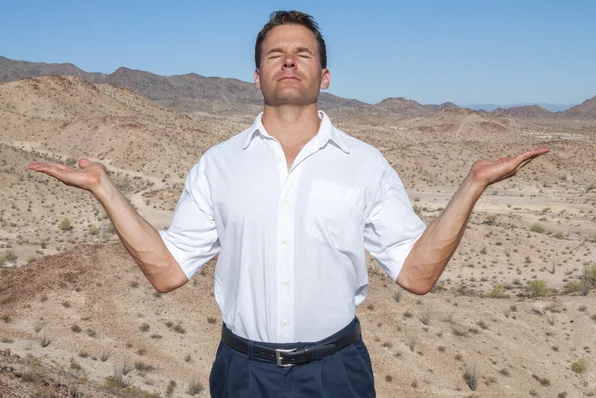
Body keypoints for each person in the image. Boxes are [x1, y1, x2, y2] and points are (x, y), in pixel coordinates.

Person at [28, 10, 549, 398]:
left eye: (303, 53)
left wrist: (472, 185)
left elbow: (416, 274)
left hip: (337, 372)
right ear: (257, 77)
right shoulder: (218, 164)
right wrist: (105, 189)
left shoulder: (365, 164)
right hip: (240, 372)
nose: (289, 61)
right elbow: (166, 272)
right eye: (275, 54)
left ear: (324, 76)